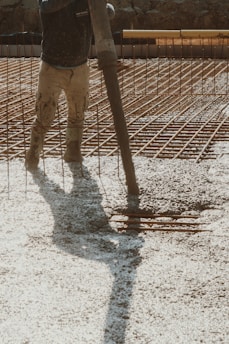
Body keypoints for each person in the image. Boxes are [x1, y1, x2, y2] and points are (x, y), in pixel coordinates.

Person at [25, 0, 115, 170]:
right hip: (51, 67)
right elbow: (47, 6)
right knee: (45, 114)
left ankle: (73, 150)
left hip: (79, 67)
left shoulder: (85, 3)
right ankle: (33, 153)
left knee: (78, 112)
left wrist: (98, 5)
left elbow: (109, 12)